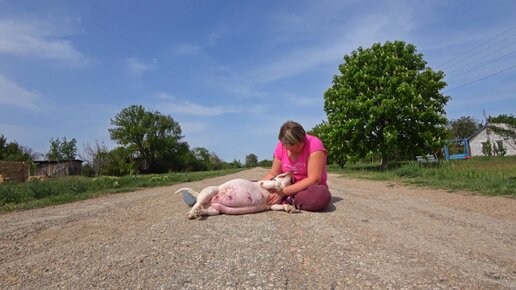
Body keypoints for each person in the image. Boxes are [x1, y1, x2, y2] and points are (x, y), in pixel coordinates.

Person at [262, 120, 332, 211]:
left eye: (300, 144)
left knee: (320, 197)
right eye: (290, 148)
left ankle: (288, 200)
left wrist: (283, 192)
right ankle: (284, 200)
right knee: (254, 184)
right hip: (285, 185)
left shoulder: (314, 144)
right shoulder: (280, 146)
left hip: (307, 189)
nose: (297, 149)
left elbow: (314, 179)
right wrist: (257, 185)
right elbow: (273, 173)